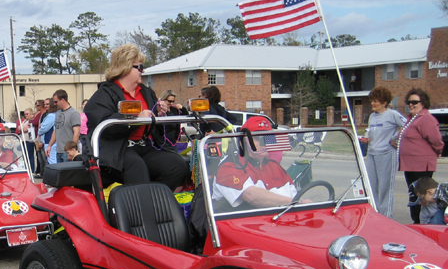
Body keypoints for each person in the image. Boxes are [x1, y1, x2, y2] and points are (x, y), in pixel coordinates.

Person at [84, 43, 188, 191]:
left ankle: (155, 200)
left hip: (143, 146)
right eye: (139, 67)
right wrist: (136, 118)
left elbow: (159, 130)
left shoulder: (147, 93)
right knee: (136, 167)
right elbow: (103, 124)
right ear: (125, 68)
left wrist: (158, 113)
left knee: (176, 165)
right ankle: (141, 207)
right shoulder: (103, 95)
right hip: (117, 150)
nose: (142, 71)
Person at [212, 116, 296, 209]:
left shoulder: (275, 167)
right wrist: (294, 202)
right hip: (241, 221)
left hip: (279, 220)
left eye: (267, 138)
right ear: (243, 140)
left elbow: (295, 195)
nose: (263, 143)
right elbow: (252, 197)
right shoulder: (229, 166)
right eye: (257, 138)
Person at [394, 88, 444, 224]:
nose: (411, 105)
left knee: (422, 197)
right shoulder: (411, 119)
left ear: (423, 103)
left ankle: (425, 223)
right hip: (410, 165)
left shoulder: (426, 118)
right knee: (413, 196)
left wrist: (438, 151)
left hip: (421, 165)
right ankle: (417, 222)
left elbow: (436, 140)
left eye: (415, 102)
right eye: (409, 102)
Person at [360, 86, 406, 218]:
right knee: (371, 186)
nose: (372, 104)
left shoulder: (393, 114)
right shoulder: (372, 117)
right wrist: (367, 139)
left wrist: (395, 138)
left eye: (376, 101)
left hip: (386, 154)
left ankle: (386, 217)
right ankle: (375, 215)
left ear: (384, 102)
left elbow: (407, 126)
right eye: (372, 101)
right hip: (372, 154)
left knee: (385, 188)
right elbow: (372, 133)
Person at [47, 90, 81, 163]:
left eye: (56, 102)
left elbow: (77, 133)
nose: (55, 104)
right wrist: (49, 145)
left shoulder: (73, 113)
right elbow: (56, 130)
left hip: (68, 152)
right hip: (59, 150)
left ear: (62, 100)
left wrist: (71, 151)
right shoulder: (58, 113)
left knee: (68, 174)